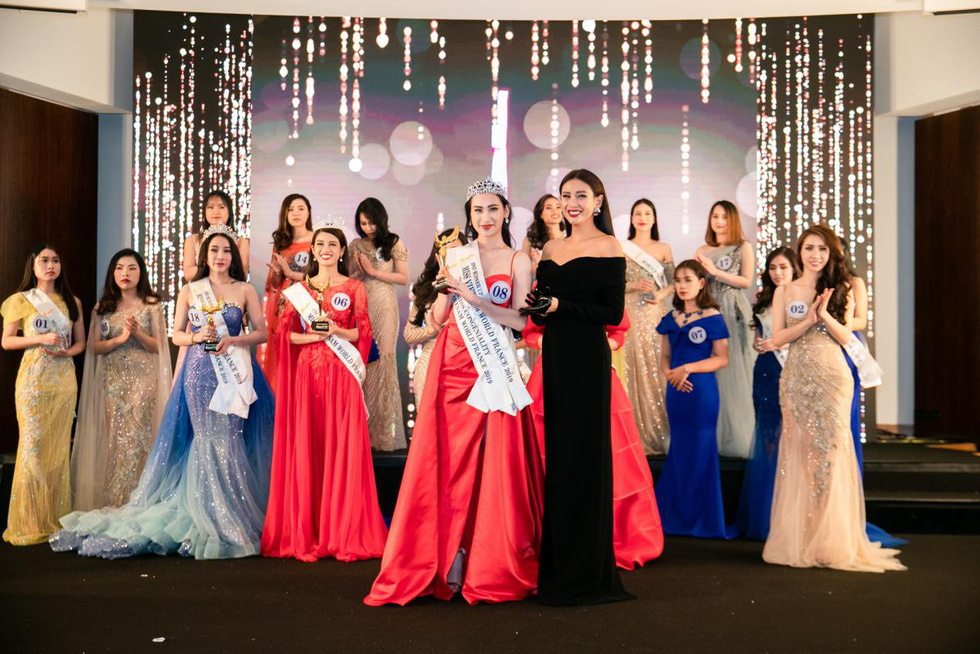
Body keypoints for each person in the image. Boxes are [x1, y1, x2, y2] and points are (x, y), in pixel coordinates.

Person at [365, 179, 542, 606]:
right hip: (451, 362)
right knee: (447, 460)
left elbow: (520, 322)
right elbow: (441, 317)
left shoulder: (519, 261)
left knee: (491, 461)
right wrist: (446, 290)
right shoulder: (457, 257)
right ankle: (446, 559)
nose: (485, 217)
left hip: (493, 367)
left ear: (505, 212)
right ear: (470, 216)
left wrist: (477, 300)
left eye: (492, 209)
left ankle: (486, 559)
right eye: (477, 210)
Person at [50, 226, 275, 560]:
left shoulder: (245, 290)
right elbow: (177, 336)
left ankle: (232, 514)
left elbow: (262, 333)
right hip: (200, 370)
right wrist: (198, 338)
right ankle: (206, 515)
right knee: (206, 438)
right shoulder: (190, 290)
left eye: (226, 251)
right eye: (214, 250)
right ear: (205, 255)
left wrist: (234, 340)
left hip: (237, 370)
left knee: (229, 439)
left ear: (233, 256)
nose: (220, 257)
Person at [763, 224, 905, 573]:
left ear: (831, 254)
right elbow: (778, 337)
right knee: (798, 453)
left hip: (832, 376)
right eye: (809, 248)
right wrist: (808, 319)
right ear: (800, 251)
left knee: (830, 453)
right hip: (795, 376)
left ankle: (831, 540)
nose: (815, 255)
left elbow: (846, 336)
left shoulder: (841, 288)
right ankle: (802, 537)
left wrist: (824, 315)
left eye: (822, 250)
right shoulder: (785, 289)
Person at [524, 168, 633, 605]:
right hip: (557, 358)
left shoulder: (609, 247)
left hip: (589, 359)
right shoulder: (550, 247)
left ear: (598, 202)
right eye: (566, 195)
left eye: (581, 195)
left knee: (587, 459)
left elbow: (611, 311)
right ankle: (558, 574)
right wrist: (538, 309)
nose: (572, 202)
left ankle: (589, 575)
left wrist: (560, 305)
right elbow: (541, 313)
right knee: (561, 459)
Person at [262, 224, 387, 562]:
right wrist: (315, 338)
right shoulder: (299, 290)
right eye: (321, 244)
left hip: (342, 376)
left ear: (342, 250)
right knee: (310, 446)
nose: (327, 248)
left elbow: (362, 335)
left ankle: (341, 530)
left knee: (340, 447)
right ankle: (310, 530)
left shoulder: (355, 288)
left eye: (333, 244)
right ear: (313, 250)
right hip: (307, 378)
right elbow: (285, 337)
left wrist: (334, 330)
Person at [523, 311, 663, 570]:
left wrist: (594, 344)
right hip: (552, 373)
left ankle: (605, 538)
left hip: (594, 370)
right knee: (549, 457)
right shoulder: (546, 281)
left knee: (607, 460)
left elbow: (619, 332)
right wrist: (552, 342)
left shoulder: (600, 278)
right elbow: (530, 332)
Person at [71, 249, 172, 511]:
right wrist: (118, 340)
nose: (125, 273)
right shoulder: (102, 308)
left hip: (143, 381)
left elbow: (159, 347)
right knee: (115, 438)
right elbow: (93, 347)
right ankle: (114, 502)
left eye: (131, 268)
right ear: (112, 273)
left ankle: (139, 503)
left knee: (139, 438)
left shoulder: (151, 305)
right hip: (113, 381)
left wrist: (137, 334)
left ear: (141, 273)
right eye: (119, 268)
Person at [1, 245, 86, 545]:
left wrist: (66, 350)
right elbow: (7, 341)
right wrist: (39, 339)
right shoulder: (21, 300)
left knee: (57, 449)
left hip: (63, 381)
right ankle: (28, 521)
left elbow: (80, 344)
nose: (50, 266)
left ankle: (53, 517)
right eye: (44, 261)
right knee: (33, 448)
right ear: (33, 266)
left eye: (56, 261)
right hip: (33, 382)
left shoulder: (71, 302)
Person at [654, 260, 734, 539]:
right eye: (678, 280)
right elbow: (664, 357)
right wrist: (670, 375)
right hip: (676, 391)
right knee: (680, 449)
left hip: (701, 392)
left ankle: (703, 518)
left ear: (701, 283)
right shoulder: (671, 317)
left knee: (702, 450)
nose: (682, 285)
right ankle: (675, 515)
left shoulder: (713, 317)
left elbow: (721, 358)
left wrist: (687, 368)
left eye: (688, 279)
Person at [735, 247, 799, 540]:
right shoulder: (762, 300)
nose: (778, 273)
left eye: (783, 267)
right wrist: (761, 343)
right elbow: (758, 339)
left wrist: (779, 344)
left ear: (794, 269)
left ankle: (791, 514)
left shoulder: (802, 298)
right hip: (765, 370)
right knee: (768, 437)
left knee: (793, 437)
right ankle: (766, 514)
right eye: (773, 267)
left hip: (793, 370)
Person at [694, 201, 755, 458]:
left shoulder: (743, 246)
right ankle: (710, 434)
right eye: (715, 216)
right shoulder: (702, 249)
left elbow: (746, 281)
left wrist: (715, 272)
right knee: (711, 374)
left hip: (733, 312)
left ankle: (736, 435)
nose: (719, 221)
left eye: (724, 217)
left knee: (735, 373)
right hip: (709, 313)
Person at [349, 197, 409, 451]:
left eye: (372, 223)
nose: (368, 228)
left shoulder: (393, 241)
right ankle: (361, 430)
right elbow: (350, 278)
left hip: (384, 303)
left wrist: (373, 273)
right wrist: (360, 274)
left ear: (380, 220)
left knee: (383, 359)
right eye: (363, 223)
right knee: (361, 359)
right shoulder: (354, 244)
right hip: (360, 303)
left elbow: (403, 278)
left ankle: (385, 436)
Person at [621, 198, 673, 455]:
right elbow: (614, 284)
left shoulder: (663, 248)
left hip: (654, 313)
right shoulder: (622, 248)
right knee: (631, 369)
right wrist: (633, 286)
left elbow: (674, 284)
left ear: (654, 219)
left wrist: (660, 296)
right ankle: (634, 435)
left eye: (647, 213)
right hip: (629, 313)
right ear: (632, 219)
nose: (642, 217)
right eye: (637, 213)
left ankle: (659, 431)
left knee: (656, 367)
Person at [402, 227, 466, 408]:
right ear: (438, 255)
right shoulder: (426, 287)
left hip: (467, 362)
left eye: (457, 252)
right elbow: (409, 334)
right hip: (432, 360)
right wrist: (432, 329)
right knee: (428, 422)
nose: (452, 257)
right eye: (447, 252)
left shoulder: (475, 288)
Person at [259, 193, 314, 391]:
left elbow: (320, 279)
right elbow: (274, 284)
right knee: (282, 356)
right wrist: (277, 273)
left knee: (304, 353)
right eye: (290, 209)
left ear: (308, 213)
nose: (296, 213)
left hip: (309, 306)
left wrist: (291, 273)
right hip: (284, 306)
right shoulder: (281, 243)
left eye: (301, 208)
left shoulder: (317, 240)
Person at [181, 190, 251, 282]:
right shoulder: (192, 240)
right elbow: (188, 274)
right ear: (205, 213)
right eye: (210, 207)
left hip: (230, 293)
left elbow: (243, 276)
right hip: (201, 293)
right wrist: (217, 266)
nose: (216, 211)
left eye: (221, 207)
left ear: (229, 212)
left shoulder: (241, 243)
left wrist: (207, 268)